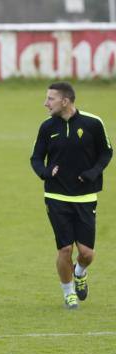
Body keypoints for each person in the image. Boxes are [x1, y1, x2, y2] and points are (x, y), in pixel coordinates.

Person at [29, 82, 112, 309]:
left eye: (50, 99)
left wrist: (93, 173)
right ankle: (68, 293)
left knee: (86, 253)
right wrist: (45, 173)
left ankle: (80, 271)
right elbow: (36, 158)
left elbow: (107, 152)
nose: (45, 103)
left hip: (85, 198)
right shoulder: (47, 127)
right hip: (56, 197)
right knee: (65, 249)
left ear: (65, 101)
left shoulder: (93, 123)